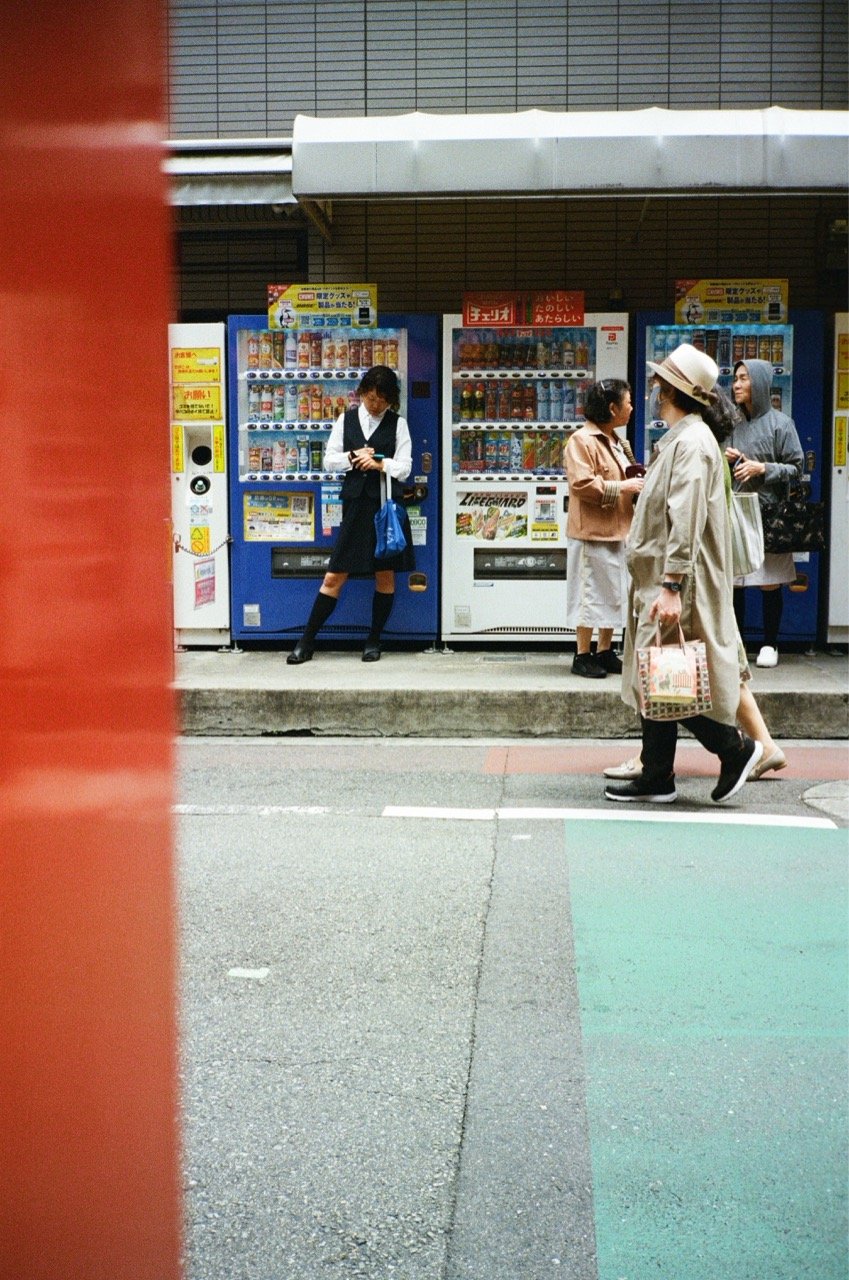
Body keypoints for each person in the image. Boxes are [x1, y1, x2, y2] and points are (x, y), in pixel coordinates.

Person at [605, 343, 763, 805]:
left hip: (677, 582)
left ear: (671, 390)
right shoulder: (686, 439)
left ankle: (734, 748)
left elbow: (686, 514)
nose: (653, 389)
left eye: (659, 383)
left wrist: (672, 584)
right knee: (658, 669)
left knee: (666, 672)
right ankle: (657, 775)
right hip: (663, 578)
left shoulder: (691, 444)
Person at [286, 365, 415, 664]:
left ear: (391, 399)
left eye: (382, 399)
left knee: (385, 576)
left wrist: (381, 464)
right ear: (362, 393)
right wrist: (354, 457)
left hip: (385, 509)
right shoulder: (346, 419)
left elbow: (406, 467)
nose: (376, 404)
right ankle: (306, 641)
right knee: (333, 576)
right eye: (371, 397)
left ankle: (374, 640)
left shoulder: (398, 424)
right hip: (356, 507)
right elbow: (330, 461)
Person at [726, 358, 804, 669]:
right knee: (735, 582)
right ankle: (737, 645)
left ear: (758, 383)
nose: (737, 384)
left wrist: (763, 468)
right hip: (736, 510)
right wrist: (731, 459)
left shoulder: (781, 424)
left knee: (769, 581)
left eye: (744, 378)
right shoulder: (731, 424)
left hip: (770, 514)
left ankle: (770, 643)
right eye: (735, 379)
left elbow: (797, 469)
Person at [565, 379, 644, 677]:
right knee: (589, 594)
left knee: (614, 592)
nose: (631, 407)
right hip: (592, 532)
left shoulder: (616, 441)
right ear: (612, 408)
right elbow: (582, 484)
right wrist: (622, 486)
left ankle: (605, 650)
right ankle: (582, 654)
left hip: (619, 529)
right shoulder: (581, 440)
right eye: (627, 402)